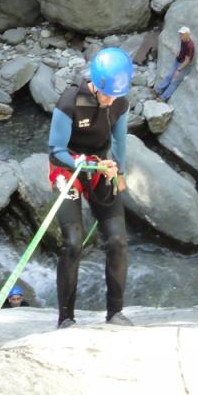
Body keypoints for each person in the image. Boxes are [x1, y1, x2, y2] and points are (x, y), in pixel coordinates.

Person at [49, 47, 133, 329]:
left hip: (100, 168)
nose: (110, 101)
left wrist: (117, 170)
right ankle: (66, 318)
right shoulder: (70, 101)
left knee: (118, 241)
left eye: (115, 95)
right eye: (106, 94)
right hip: (68, 169)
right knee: (73, 243)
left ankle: (115, 312)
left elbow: (119, 141)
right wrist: (86, 166)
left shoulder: (119, 102)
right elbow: (56, 149)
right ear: (95, 83)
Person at [155, 25, 195, 102]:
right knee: (169, 76)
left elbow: (187, 60)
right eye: (180, 34)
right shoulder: (183, 40)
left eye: (182, 34)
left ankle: (163, 97)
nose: (180, 35)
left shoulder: (190, 45)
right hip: (178, 60)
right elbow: (182, 48)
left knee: (174, 81)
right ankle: (158, 90)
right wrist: (179, 53)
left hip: (183, 65)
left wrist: (179, 70)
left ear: (187, 34)